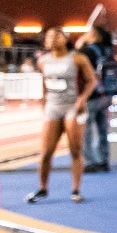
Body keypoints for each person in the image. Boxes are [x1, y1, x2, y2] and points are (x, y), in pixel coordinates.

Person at [28, 27, 96, 204]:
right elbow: (44, 82)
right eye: (49, 37)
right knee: (45, 153)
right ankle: (42, 188)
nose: (51, 39)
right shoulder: (43, 61)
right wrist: (43, 101)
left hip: (72, 107)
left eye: (56, 36)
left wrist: (82, 99)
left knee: (75, 150)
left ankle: (75, 189)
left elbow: (92, 80)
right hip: (53, 107)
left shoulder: (77, 58)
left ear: (65, 38)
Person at [75, 24, 117, 173]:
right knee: (102, 128)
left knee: (86, 130)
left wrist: (80, 44)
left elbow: (75, 62)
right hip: (107, 93)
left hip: (92, 94)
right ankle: (103, 160)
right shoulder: (107, 50)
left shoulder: (87, 50)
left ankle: (89, 162)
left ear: (93, 34)